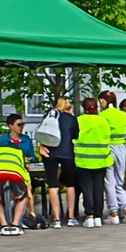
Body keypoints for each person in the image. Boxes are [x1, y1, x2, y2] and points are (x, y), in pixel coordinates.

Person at [0, 114, 34, 235]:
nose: (22, 127)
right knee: (22, 196)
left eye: (23, 124)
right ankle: (15, 225)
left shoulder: (26, 139)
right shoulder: (1, 140)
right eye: (19, 124)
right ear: (10, 126)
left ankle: (4, 225)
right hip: (18, 170)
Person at [75, 98, 113, 228]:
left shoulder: (79, 121)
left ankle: (89, 216)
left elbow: (73, 137)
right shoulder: (103, 121)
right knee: (98, 189)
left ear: (83, 108)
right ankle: (98, 216)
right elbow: (108, 137)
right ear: (96, 107)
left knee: (87, 189)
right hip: (101, 159)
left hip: (83, 160)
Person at [98, 90, 126, 224]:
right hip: (121, 148)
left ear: (102, 100)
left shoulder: (102, 115)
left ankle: (114, 214)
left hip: (108, 149)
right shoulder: (123, 115)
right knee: (119, 183)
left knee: (109, 183)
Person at [43, 98, 80, 228]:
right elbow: (75, 136)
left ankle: (56, 219)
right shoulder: (71, 119)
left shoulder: (49, 115)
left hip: (49, 152)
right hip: (67, 153)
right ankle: (70, 217)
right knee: (70, 185)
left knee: (53, 185)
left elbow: (41, 132)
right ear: (68, 107)